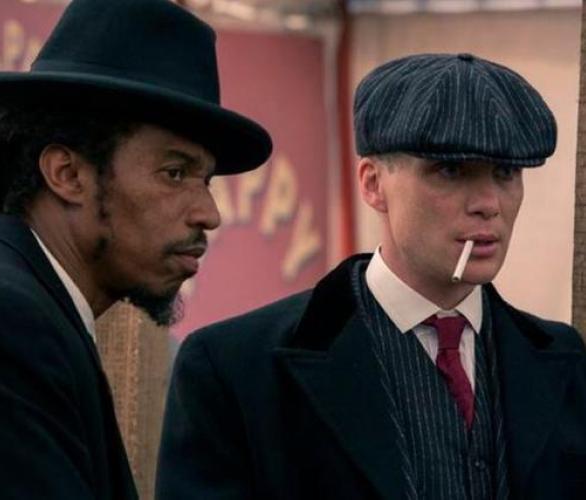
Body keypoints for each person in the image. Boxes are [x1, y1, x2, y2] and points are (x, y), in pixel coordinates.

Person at [0, 0, 271, 498]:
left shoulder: (17, 306)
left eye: (206, 180)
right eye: (175, 173)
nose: (209, 213)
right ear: (67, 174)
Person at [157, 53, 586, 500]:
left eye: (506, 173)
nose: (488, 203)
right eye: (451, 170)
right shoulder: (235, 368)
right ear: (373, 183)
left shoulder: (563, 358)